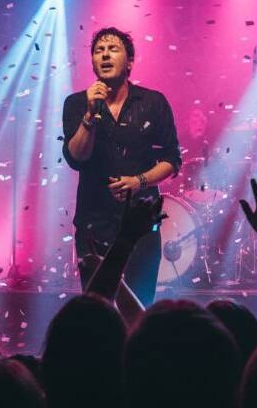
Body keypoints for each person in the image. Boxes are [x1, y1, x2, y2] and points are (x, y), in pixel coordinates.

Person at [62, 26, 181, 305]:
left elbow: (172, 160)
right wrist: (91, 114)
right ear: (92, 62)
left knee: (139, 304)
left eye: (113, 49)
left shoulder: (153, 102)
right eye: (98, 50)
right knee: (96, 308)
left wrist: (138, 181)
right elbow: (76, 157)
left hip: (140, 222)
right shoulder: (77, 103)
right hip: (94, 223)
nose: (104, 54)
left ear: (129, 61)